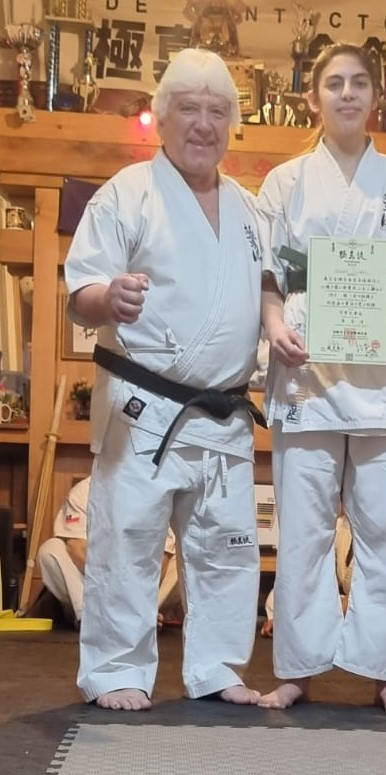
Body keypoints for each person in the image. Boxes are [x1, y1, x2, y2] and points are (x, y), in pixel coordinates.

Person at [64, 48, 264, 711]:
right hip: (143, 407)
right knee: (128, 541)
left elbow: (271, 290)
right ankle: (115, 668)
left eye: (217, 111)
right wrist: (109, 297)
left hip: (224, 413)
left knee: (227, 546)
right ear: (161, 115)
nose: (204, 124)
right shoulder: (126, 193)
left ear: (232, 123)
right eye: (189, 108)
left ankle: (216, 666)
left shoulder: (250, 209)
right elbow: (81, 291)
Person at [255, 42, 386, 714]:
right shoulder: (283, 181)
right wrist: (273, 325)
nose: (346, 93)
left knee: (383, 528)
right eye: (333, 83)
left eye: (359, 82)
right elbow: (267, 277)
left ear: (376, 96)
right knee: (303, 529)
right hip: (307, 366)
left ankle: (382, 670)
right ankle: (298, 668)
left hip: (383, 369)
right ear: (313, 98)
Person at [261, 513, 386, 640]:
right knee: (286, 591)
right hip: (346, 604)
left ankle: (306, 625)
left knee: (380, 613)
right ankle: (304, 624)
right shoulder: (342, 524)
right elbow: (309, 576)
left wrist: (325, 608)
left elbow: (385, 596)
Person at [36, 476, 180, 628]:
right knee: (51, 549)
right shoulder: (83, 491)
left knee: (186, 556)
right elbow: (78, 549)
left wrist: (132, 599)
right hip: (95, 587)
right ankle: (89, 616)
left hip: (141, 591)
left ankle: (141, 616)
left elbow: (160, 560)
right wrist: (113, 588)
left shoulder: (157, 493)